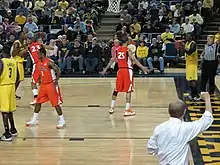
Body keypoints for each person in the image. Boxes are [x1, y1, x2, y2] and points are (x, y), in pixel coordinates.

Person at [147, 92, 213, 165]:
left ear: (169, 111)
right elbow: (207, 119)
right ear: (184, 112)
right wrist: (207, 99)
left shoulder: (159, 128)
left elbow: (151, 149)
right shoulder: (186, 128)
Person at [100, 37, 149, 116]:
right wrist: (143, 67)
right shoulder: (127, 50)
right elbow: (135, 60)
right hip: (127, 71)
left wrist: (105, 69)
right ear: (126, 42)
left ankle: (112, 107)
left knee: (116, 89)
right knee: (128, 90)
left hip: (120, 71)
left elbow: (112, 60)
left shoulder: (117, 50)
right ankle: (127, 109)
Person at [26, 46, 66, 129]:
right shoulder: (39, 63)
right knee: (38, 102)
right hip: (43, 85)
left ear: (42, 54)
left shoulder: (49, 62)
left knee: (55, 103)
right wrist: (40, 80)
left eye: (38, 53)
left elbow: (58, 70)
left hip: (50, 85)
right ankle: (35, 119)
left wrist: (56, 80)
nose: (37, 55)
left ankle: (62, 120)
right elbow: (42, 73)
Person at [28, 35, 54, 105]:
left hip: (36, 65)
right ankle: (50, 95)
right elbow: (52, 48)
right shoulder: (40, 45)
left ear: (31, 40)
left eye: (29, 39)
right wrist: (43, 45)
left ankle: (36, 98)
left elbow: (20, 53)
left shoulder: (29, 47)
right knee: (43, 81)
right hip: (44, 63)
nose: (28, 40)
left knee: (33, 82)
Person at [0, 45, 18, 141]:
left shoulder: (2, 62)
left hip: (3, 86)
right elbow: (18, 76)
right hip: (12, 86)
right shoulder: (14, 61)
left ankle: (7, 133)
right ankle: (13, 129)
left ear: (3, 52)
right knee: (10, 110)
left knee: (4, 111)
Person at [11, 32, 27, 100]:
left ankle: (13, 93)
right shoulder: (17, 43)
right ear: (20, 35)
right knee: (16, 79)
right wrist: (21, 47)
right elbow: (14, 54)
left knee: (19, 79)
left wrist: (24, 53)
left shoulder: (24, 42)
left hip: (20, 61)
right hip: (15, 62)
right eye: (23, 34)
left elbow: (23, 54)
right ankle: (11, 94)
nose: (25, 35)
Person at [184, 33, 199, 101]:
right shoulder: (187, 43)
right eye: (186, 36)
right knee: (189, 80)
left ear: (191, 37)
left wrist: (182, 47)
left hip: (193, 64)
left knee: (193, 80)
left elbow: (190, 52)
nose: (187, 37)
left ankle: (196, 95)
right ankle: (192, 94)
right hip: (188, 64)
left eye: (188, 36)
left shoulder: (193, 44)